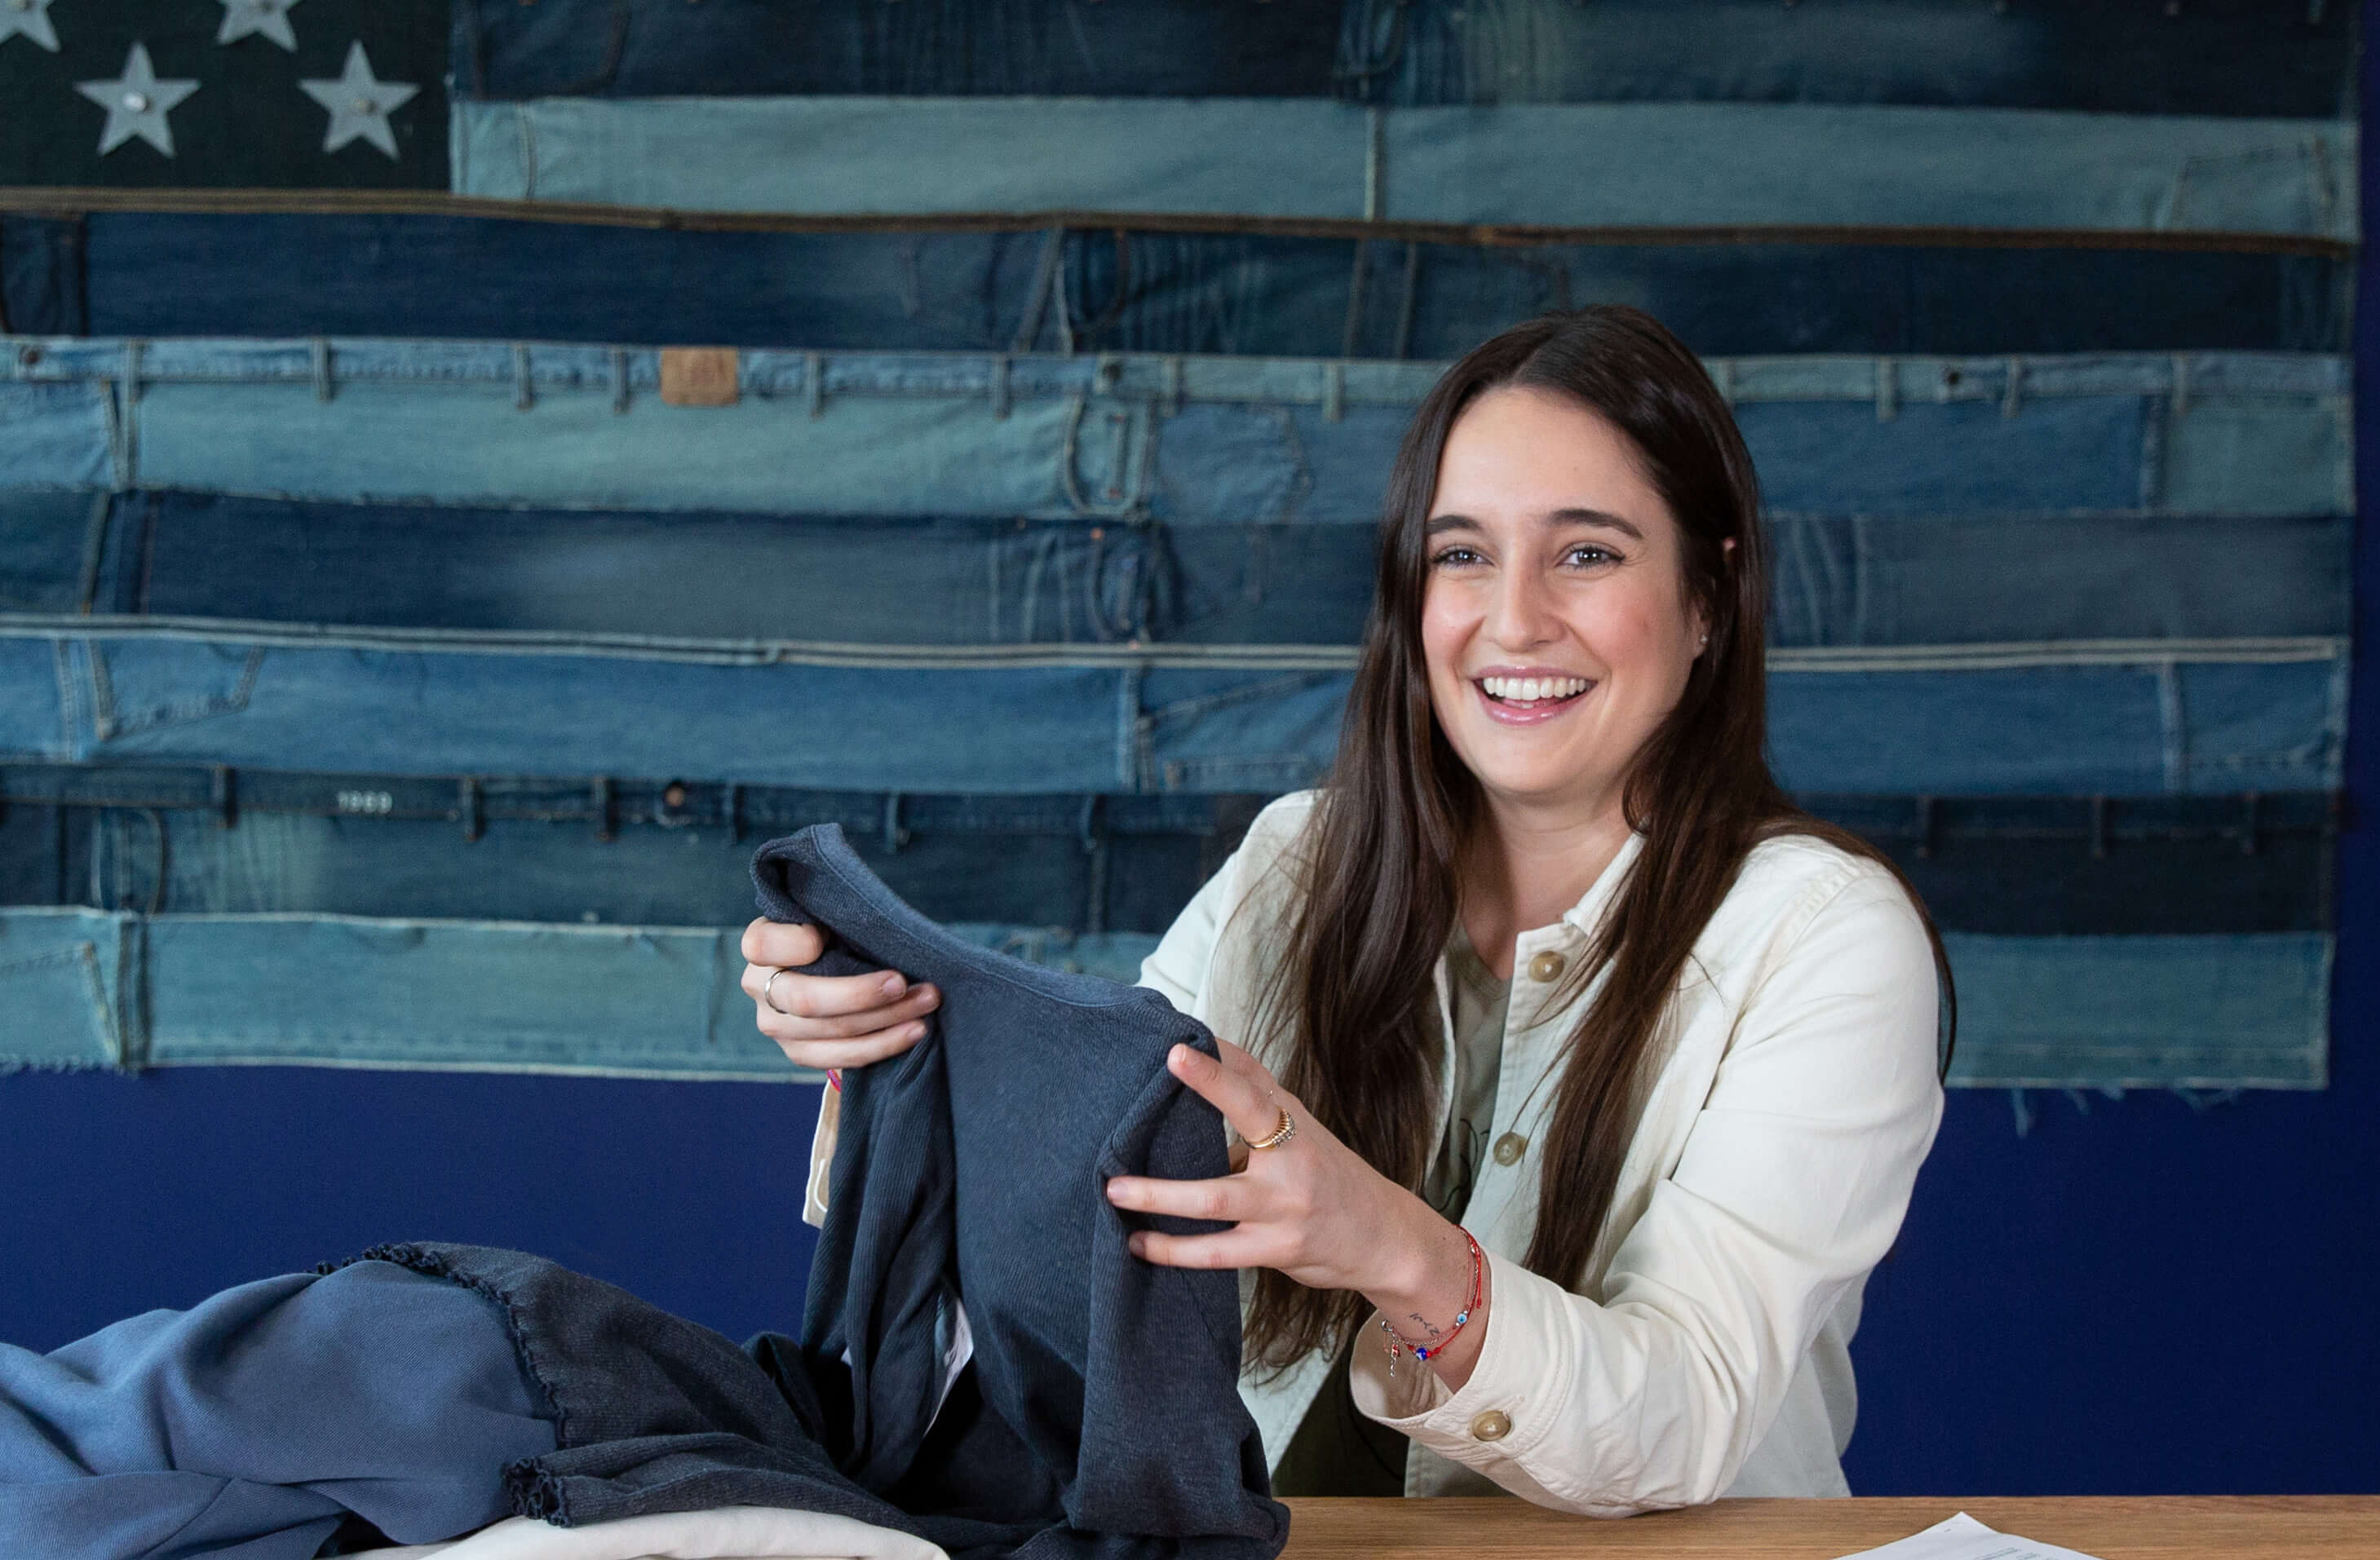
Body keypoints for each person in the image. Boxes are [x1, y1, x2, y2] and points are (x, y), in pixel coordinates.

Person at [734, 307, 1948, 1518]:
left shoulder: (1828, 937)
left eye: (1587, 553)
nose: (1513, 620)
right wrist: (900, 1048)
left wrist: (1389, 1244)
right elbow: (1087, 1209)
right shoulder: (1296, 858)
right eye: (1462, 553)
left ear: (1708, 597)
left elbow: (1682, 1411)